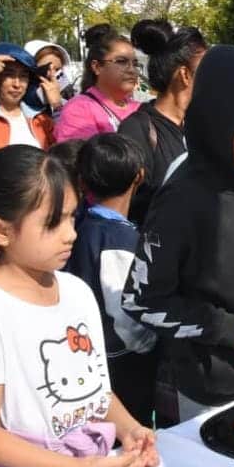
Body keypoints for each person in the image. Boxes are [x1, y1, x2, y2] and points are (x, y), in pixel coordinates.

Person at [0, 145, 158, 467]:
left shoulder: (76, 291)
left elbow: (96, 391)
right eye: (52, 222)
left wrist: (132, 429)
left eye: (73, 217)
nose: (71, 234)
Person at [121, 45, 234, 422]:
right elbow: (142, 299)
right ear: (214, 123)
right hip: (210, 396)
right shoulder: (183, 198)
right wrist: (231, 331)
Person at [65, 134, 157, 426]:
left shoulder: (79, 224)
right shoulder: (119, 239)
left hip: (86, 352)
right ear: (139, 176)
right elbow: (125, 311)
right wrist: (146, 345)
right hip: (120, 361)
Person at [119, 19, 207, 225]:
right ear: (185, 75)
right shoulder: (136, 130)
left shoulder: (203, 125)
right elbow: (128, 206)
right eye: (208, 68)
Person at [54, 26, 140, 142]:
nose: (131, 70)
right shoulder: (78, 110)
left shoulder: (140, 109)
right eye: (121, 61)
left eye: (135, 63)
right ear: (97, 67)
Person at [24, 39, 76, 119]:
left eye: (57, 69)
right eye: (45, 68)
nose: (52, 75)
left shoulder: (69, 101)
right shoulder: (19, 106)